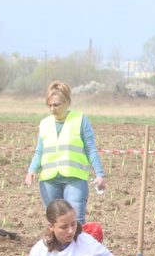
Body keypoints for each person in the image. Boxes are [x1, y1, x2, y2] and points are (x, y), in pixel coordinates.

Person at [24, 82, 106, 224]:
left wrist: (99, 174)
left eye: (56, 105)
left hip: (74, 179)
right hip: (49, 180)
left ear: (67, 102)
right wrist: (31, 170)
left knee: (76, 221)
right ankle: (57, 247)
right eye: (49, 105)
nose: (52, 109)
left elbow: (91, 149)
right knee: (55, 223)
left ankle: (76, 246)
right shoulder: (44, 124)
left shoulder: (80, 120)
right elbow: (39, 151)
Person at [26, 198, 128, 256]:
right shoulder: (40, 250)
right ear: (51, 227)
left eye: (73, 224)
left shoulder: (86, 242)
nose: (70, 231)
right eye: (64, 227)